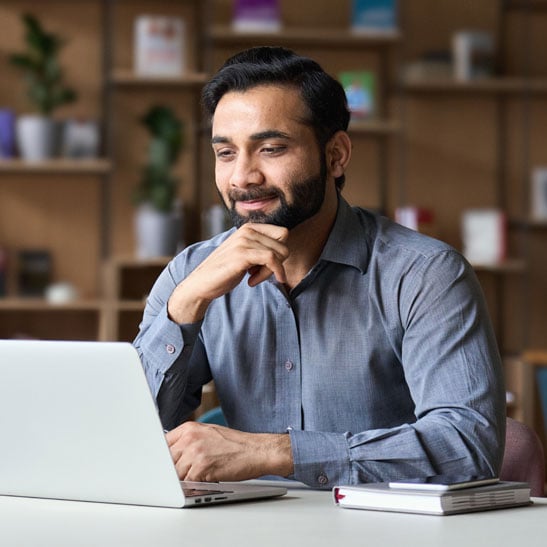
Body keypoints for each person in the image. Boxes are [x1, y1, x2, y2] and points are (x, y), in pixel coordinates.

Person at [133, 46, 506, 489]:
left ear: (335, 155)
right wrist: (185, 307)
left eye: (270, 148)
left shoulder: (426, 275)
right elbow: (127, 437)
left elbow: (468, 446)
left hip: (389, 529)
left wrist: (278, 452)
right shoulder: (190, 273)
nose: (242, 178)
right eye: (226, 153)